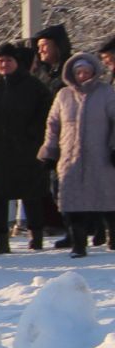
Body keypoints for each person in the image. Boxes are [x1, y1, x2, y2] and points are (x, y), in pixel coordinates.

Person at [39, 54, 115, 257]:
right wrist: (50, 151)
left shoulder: (106, 93)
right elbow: (53, 125)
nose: (82, 76)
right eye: (78, 72)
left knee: (107, 199)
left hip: (101, 157)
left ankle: (112, 237)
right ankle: (78, 244)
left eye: (86, 72)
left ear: (94, 73)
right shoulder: (63, 95)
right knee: (72, 203)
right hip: (70, 158)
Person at [0, 43, 52, 253]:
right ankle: (1, 240)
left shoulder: (34, 87)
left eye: (9, 60)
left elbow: (45, 115)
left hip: (26, 150)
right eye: (1, 61)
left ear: (17, 63)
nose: (4, 64)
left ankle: (35, 236)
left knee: (31, 194)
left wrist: (33, 137)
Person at [32, 24, 73, 94]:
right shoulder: (39, 73)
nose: (40, 51)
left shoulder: (72, 70)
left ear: (57, 46)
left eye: (43, 45)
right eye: (38, 47)